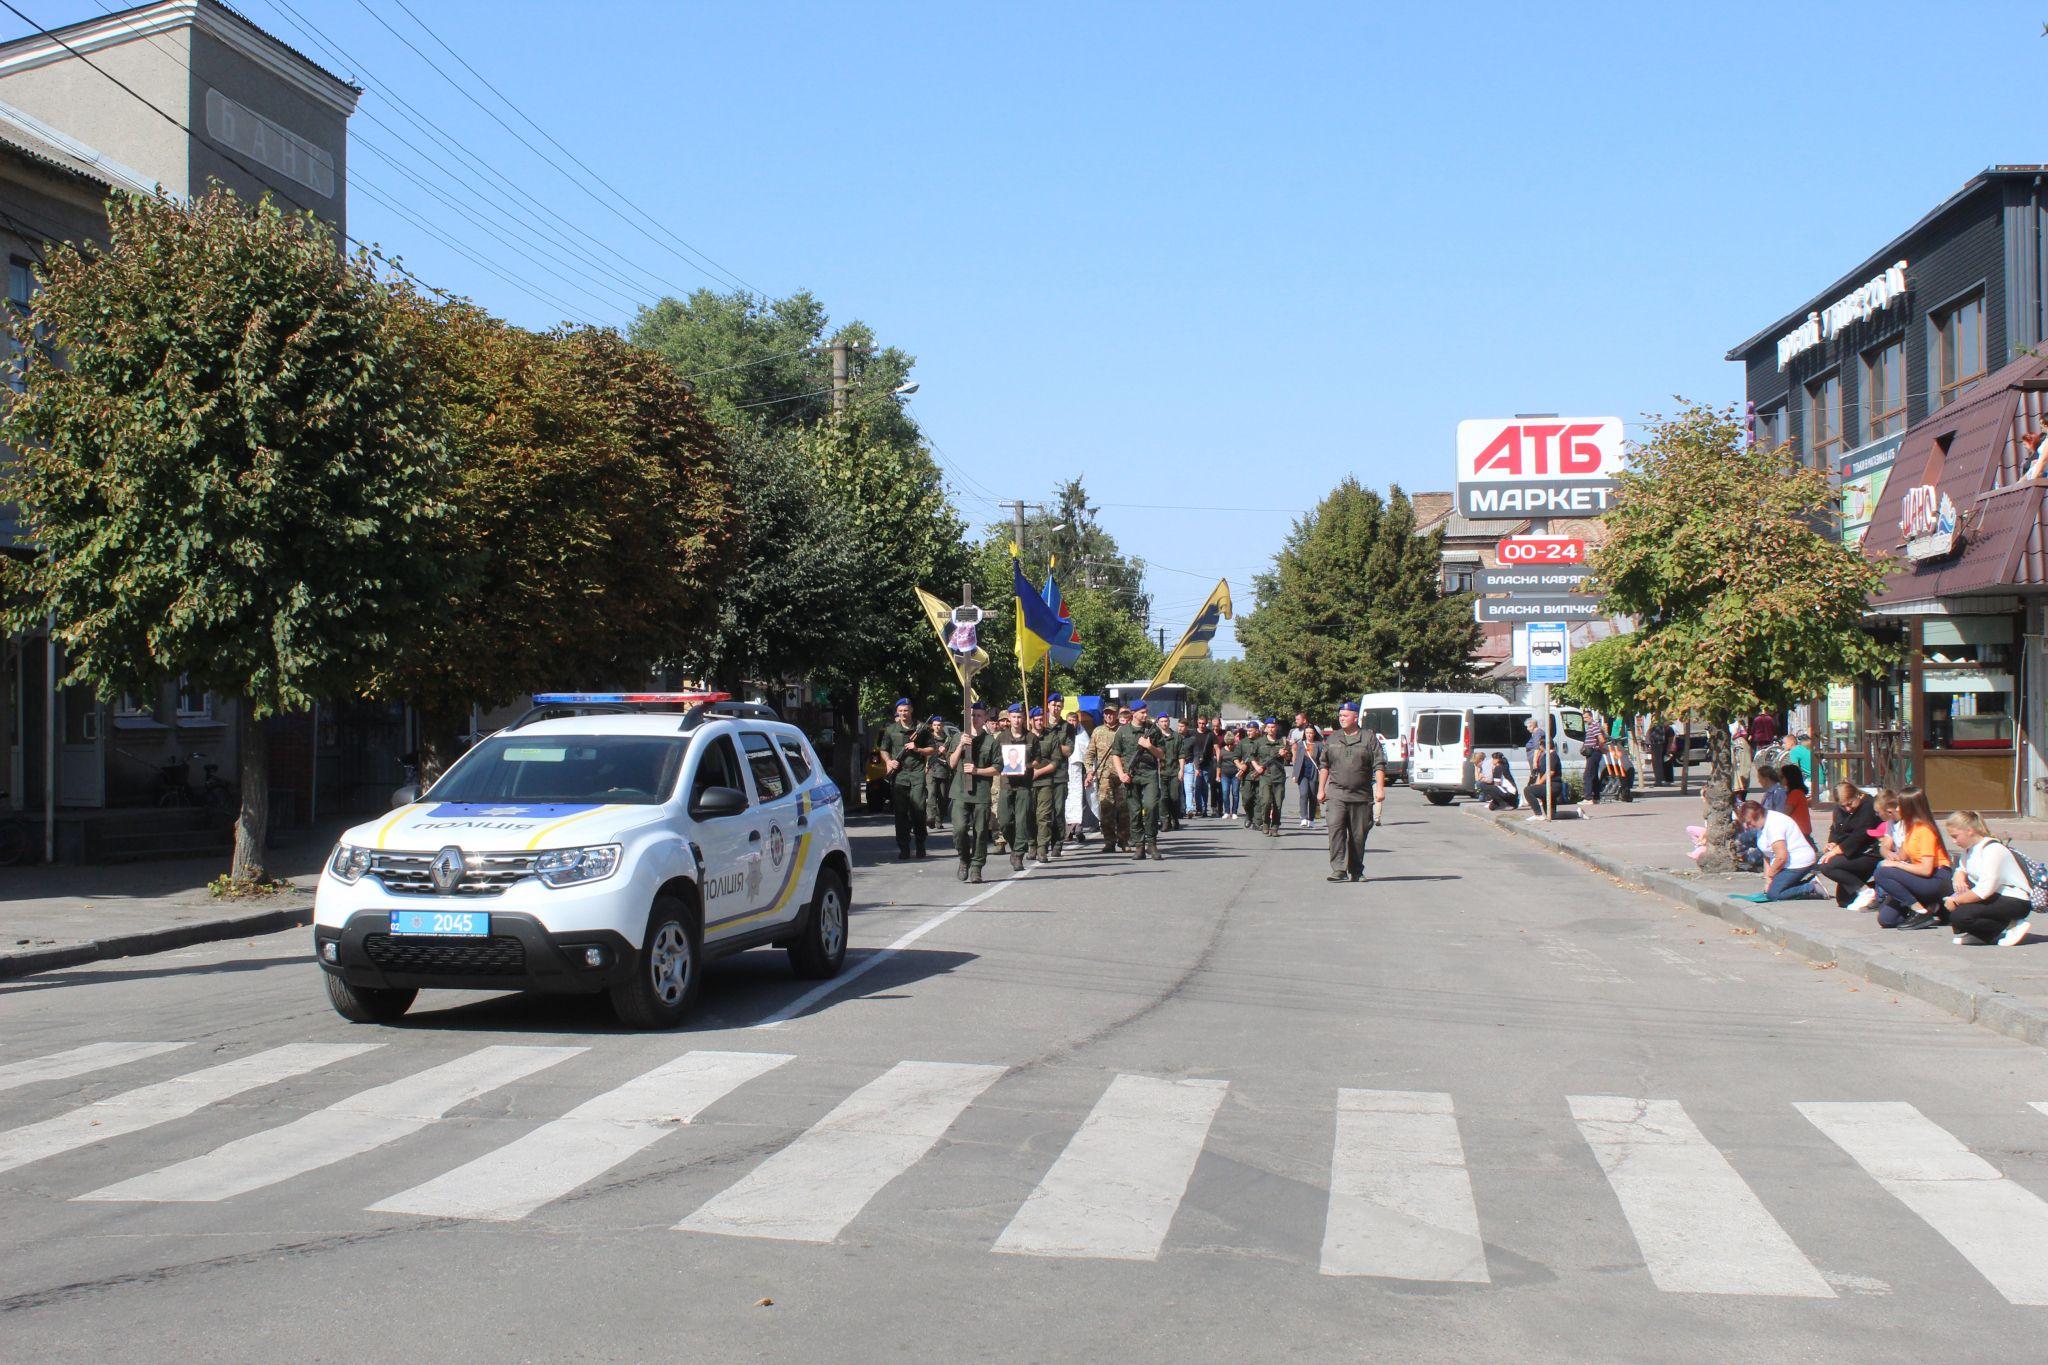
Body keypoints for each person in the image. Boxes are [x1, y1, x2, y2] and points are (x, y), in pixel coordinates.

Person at [1940, 810, 2037, 946]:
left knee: (1959, 916)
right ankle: (1985, 934)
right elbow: (1962, 868)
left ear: (1970, 831)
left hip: (2015, 900)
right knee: (1959, 916)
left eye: (1955, 836)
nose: (1953, 841)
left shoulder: (1992, 850)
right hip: (1996, 896)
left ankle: (2013, 924)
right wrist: (1959, 876)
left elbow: (1984, 890)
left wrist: (1956, 900)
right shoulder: (1970, 849)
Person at [1318, 700, 1386, 882]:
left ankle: (1356, 870)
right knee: (1335, 830)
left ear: (1356, 717)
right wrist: (1320, 790)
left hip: (1361, 795)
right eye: (1340, 715)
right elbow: (1324, 765)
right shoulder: (1332, 738)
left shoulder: (1369, 738)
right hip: (1336, 794)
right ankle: (1338, 869)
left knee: (1358, 835)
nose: (1341, 718)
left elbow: (1379, 764)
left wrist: (1380, 789)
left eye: (1345, 716)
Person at [1868, 787, 1953, 929]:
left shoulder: (1925, 830)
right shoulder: (1910, 828)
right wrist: (1891, 857)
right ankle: (1932, 907)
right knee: (1886, 919)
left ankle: (1921, 911)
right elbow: (1903, 855)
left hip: (1936, 878)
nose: (1897, 808)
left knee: (1882, 872)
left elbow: (1926, 870)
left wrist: (1897, 866)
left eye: (1900, 805)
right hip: (1919, 878)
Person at [949, 701, 1001, 883]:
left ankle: (977, 867)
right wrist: (960, 746)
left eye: (979, 715)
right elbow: (952, 763)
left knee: (980, 831)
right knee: (960, 829)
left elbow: (997, 768)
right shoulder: (958, 737)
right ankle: (964, 860)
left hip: (981, 792)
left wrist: (977, 771)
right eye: (972, 715)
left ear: (986, 718)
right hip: (960, 791)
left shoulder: (990, 741)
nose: (975, 718)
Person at [879, 698, 935, 860]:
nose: (904, 713)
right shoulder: (891, 729)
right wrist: (889, 762)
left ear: (911, 710)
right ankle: (903, 847)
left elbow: (932, 749)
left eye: (906, 710)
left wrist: (917, 749)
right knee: (901, 814)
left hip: (917, 774)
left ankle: (920, 844)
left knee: (918, 811)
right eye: (901, 711)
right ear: (897, 712)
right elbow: (884, 749)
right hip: (899, 776)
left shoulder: (921, 729)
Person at [1111, 700, 1166, 860]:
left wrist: (1149, 747)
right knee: (1134, 812)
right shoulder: (1123, 732)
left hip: (1149, 775)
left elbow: (1162, 754)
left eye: (1146, 711)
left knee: (1150, 806)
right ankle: (1139, 846)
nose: (1145, 714)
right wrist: (1121, 774)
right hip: (1131, 776)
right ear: (1133, 713)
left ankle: (1152, 843)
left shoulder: (1153, 730)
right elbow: (1116, 754)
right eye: (1142, 712)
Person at [1814, 783, 1883, 908]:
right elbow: (1835, 828)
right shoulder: (1840, 809)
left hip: (1870, 853)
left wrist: (1836, 851)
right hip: (1853, 854)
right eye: (1843, 806)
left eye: (1850, 804)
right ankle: (1877, 889)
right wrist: (1832, 842)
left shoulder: (1868, 806)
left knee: (1826, 865)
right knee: (1844, 900)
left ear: (1858, 795)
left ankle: (1865, 891)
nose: (1847, 809)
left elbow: (1860, 836)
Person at [1740, 798, 1820, 900]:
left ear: (1758, 815)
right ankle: (1809, 883)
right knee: (1772, 889)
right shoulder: (1761, 825)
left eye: (1748, 822)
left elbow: (1781, 857)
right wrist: (1767, 881)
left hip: (1799, 861)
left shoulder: (1774, 824)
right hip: (1786, 864)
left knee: (1774, 894)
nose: (1747, 826)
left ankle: (1811, 887)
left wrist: (1770, 876)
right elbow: (1767, 854)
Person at [1038, 695, 1076, 858]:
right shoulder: (1040, 724)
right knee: (1042, 812)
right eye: (1053, 705)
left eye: (1059, 705)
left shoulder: (1067, 727)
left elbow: (1069, 750)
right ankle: (1041, 843)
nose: (1056, 708)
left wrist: (1051, 745)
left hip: (1059, 774)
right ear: (1048, 705)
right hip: (1040, 774)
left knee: (1057, 811)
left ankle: (1057, 842)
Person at [1091, 703, 1128, 854]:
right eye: (1106, 713)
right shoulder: (1097, 731)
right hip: (1104, 777)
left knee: (1124, 810)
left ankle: (1124, 840)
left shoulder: (1124, 730)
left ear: (1117, 715)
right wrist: (1089, 771)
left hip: (1122, 775)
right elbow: (1089, 754)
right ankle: (1109, 841)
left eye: (1111, 713)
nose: (1108, 716)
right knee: (1106, 809)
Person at [1066, 708, 1095, 844]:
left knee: (1077, 799)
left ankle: (1077, 828)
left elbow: (1088, 754)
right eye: (1070, 720)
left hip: (1077, 771)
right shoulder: (1063, 734)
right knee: (1066, 800)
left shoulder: (1082, 735)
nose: (1072, 723)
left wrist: (1089, 772)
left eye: (1074, 720)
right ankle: (1068, 830)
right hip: (1064, 771)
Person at [925, 714, 956, 831]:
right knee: (931, 794)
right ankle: (931, 818)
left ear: (942, 726)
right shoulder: (929, 739)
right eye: (935, 725)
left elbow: (953, 755)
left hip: (944, 771)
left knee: (943, 798)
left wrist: (945, 751)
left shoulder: (948, 740)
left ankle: (938, 820)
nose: (937, 727)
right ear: (932, 726)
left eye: (939, 725)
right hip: (931, 770)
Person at [1156, 714, 1185, 832]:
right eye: (1162, 721)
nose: (1164, 723)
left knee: (1174, 797)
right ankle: (1165, 821)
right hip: (1160, 772)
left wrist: (1181, 770)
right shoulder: (1156, 737)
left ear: (1169, 722)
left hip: (1174, 771)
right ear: (1158, 723)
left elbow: (1181, 755)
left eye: (1166, 721)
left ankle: (1174, 818)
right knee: (1163, 797)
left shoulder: (1177, 737)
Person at [1524, 737, 1565, 818]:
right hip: (1547, 785)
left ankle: (1538, 815)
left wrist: (1539, 783)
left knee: (1528, 790)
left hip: (1553, 786)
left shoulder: (1552, 756)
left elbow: (1550, 772)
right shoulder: (1546, 755)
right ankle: (1577, 813)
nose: (1539, 747)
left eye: (1539, 745)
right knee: (1551, 816)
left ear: (1544, 745)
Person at [1293, 723, 1322, 827]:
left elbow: (1322, 760)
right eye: (1307, 733)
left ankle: (1311, 819)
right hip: (1302, 773)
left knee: (1313, 796)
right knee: (1303, 794)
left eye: (1311, 733)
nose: (1309, 735)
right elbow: (1297, 760)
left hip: (1314, 772)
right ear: (1305, 734)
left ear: (1314, 733)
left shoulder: (1319, 745)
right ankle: (1303, 817)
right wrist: (1295, 774)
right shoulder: (1301, 744)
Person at [1779, 764, 1813, 839]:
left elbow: (1785, 814)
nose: (1780, 780)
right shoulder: (1798, 792)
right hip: (1800, 831)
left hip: (1799, 832)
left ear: (1789, 778)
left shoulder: (1795, 793)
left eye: (1781, 777)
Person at [1218, 729, 1241, 819]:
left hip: (1236, 774)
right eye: (1228, 744)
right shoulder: (1222, 750)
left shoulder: (1237, 749)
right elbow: (1219, 764)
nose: (1230, 746)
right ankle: (1227, 811)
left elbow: (1241, 760)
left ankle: (1234, 811)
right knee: (1225, 792)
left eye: (1232, 743)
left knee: (1235, 792)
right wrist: (1218, 775)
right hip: (1225, 774)